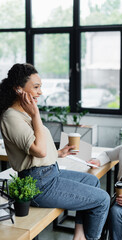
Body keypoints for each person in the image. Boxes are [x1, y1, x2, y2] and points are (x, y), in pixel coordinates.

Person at [0, 63, 110, 240]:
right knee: (103, 199)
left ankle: (79, 236)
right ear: (19, 89)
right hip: (38, 184)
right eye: (36, 87)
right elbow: (39, 151)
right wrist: (36, 115)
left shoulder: (25, 112)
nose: (40, 92)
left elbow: (39, 149)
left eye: (40, 87)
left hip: (50, 174)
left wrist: (58, 153)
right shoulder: (11, 117)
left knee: (92, 181)